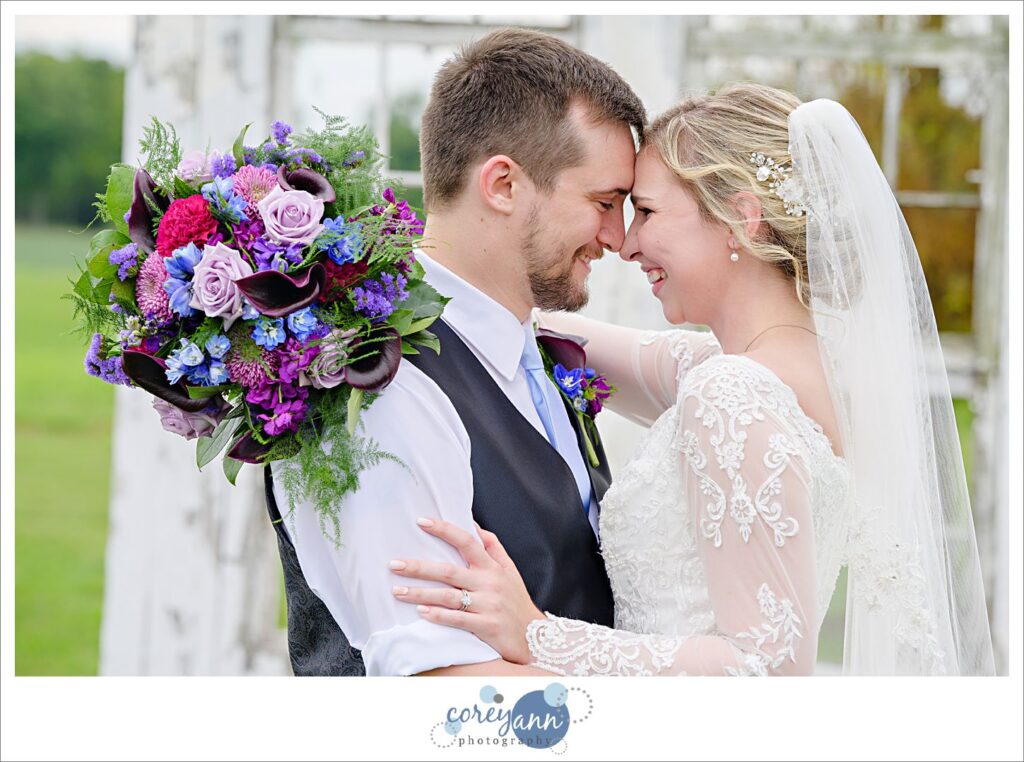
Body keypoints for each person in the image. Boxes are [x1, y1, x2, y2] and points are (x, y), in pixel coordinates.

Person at [390, 83, 997, 676]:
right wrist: (363, 280)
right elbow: (535, 328)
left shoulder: (730, 393)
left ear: (743, 217)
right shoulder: (799, 370)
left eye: (647, 211)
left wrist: (539, 636)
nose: (626, 244)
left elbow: (766, 666)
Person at [264, 27, 646, 676]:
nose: (618, 236)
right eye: (604, 202)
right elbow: (448, 693)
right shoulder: (379, 393)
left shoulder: (532, 348)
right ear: (502, 185)